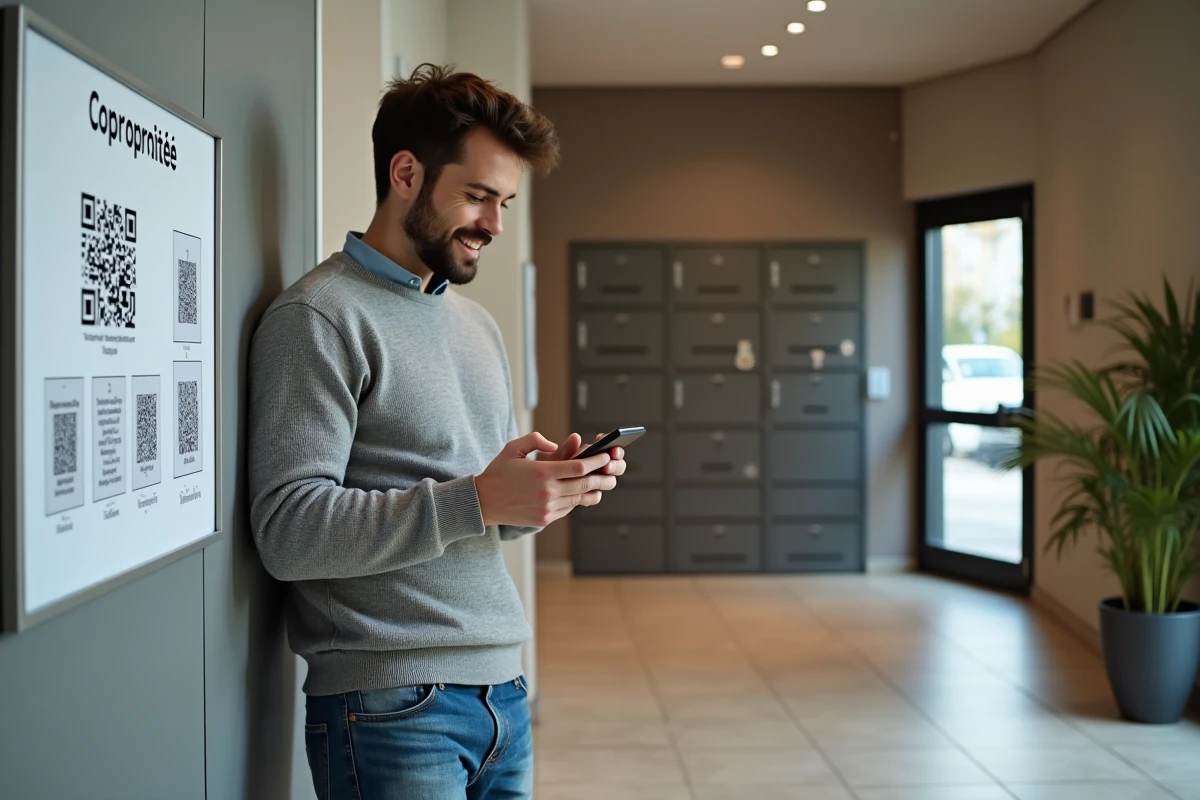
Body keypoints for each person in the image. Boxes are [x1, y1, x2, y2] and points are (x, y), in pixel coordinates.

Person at [248, 64, 625, 799]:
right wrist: (480, 499)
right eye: (479, 196)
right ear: (407, 173)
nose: (494, 224)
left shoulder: (475, 324)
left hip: (502, 694)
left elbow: (477, 512)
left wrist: (543, 493)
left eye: (505, 201)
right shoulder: (320, 318)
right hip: (388, 706)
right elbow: (288, 529)